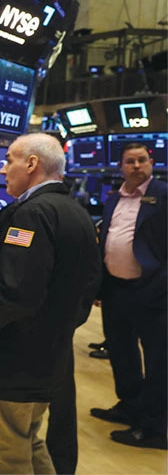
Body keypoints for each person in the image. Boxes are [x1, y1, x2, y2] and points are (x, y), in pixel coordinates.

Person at [0, 133, 101, 474]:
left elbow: (16, 293)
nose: (2, 170)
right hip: (49, 354)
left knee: (9, 455)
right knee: (29, 441)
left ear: (32, 164)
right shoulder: (77, 213)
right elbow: (89, 286)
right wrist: (60, 327)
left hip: (16, 358)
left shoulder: (31, 214)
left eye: (9, 160)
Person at [90, 143, 167, 450]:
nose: (137, 166)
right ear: (120, 166)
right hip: (116, 289)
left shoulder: (163, 195)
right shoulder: (114, 197)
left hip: (153, 290)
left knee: (159, 359)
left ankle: (154, 426)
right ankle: (130, 407)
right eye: (130, 161)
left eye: (142, 160)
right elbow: (107, 239)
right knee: (122, 353)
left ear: (151, 162)